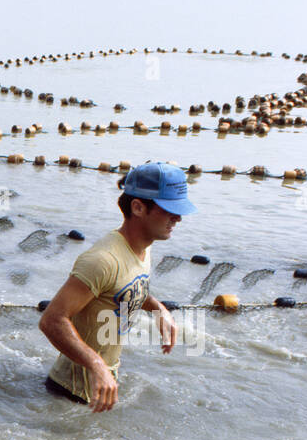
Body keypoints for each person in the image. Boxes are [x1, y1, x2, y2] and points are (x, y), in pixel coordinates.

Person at [38, 162, 194, 412]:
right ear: (138, 207)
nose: (178, 218)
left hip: (101, 388)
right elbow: (52, 320)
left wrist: (157, 308)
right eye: (169, 209)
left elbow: (123, 287)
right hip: (69, 396)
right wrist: (97, 365)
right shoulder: (103, 260)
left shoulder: (143, 247)